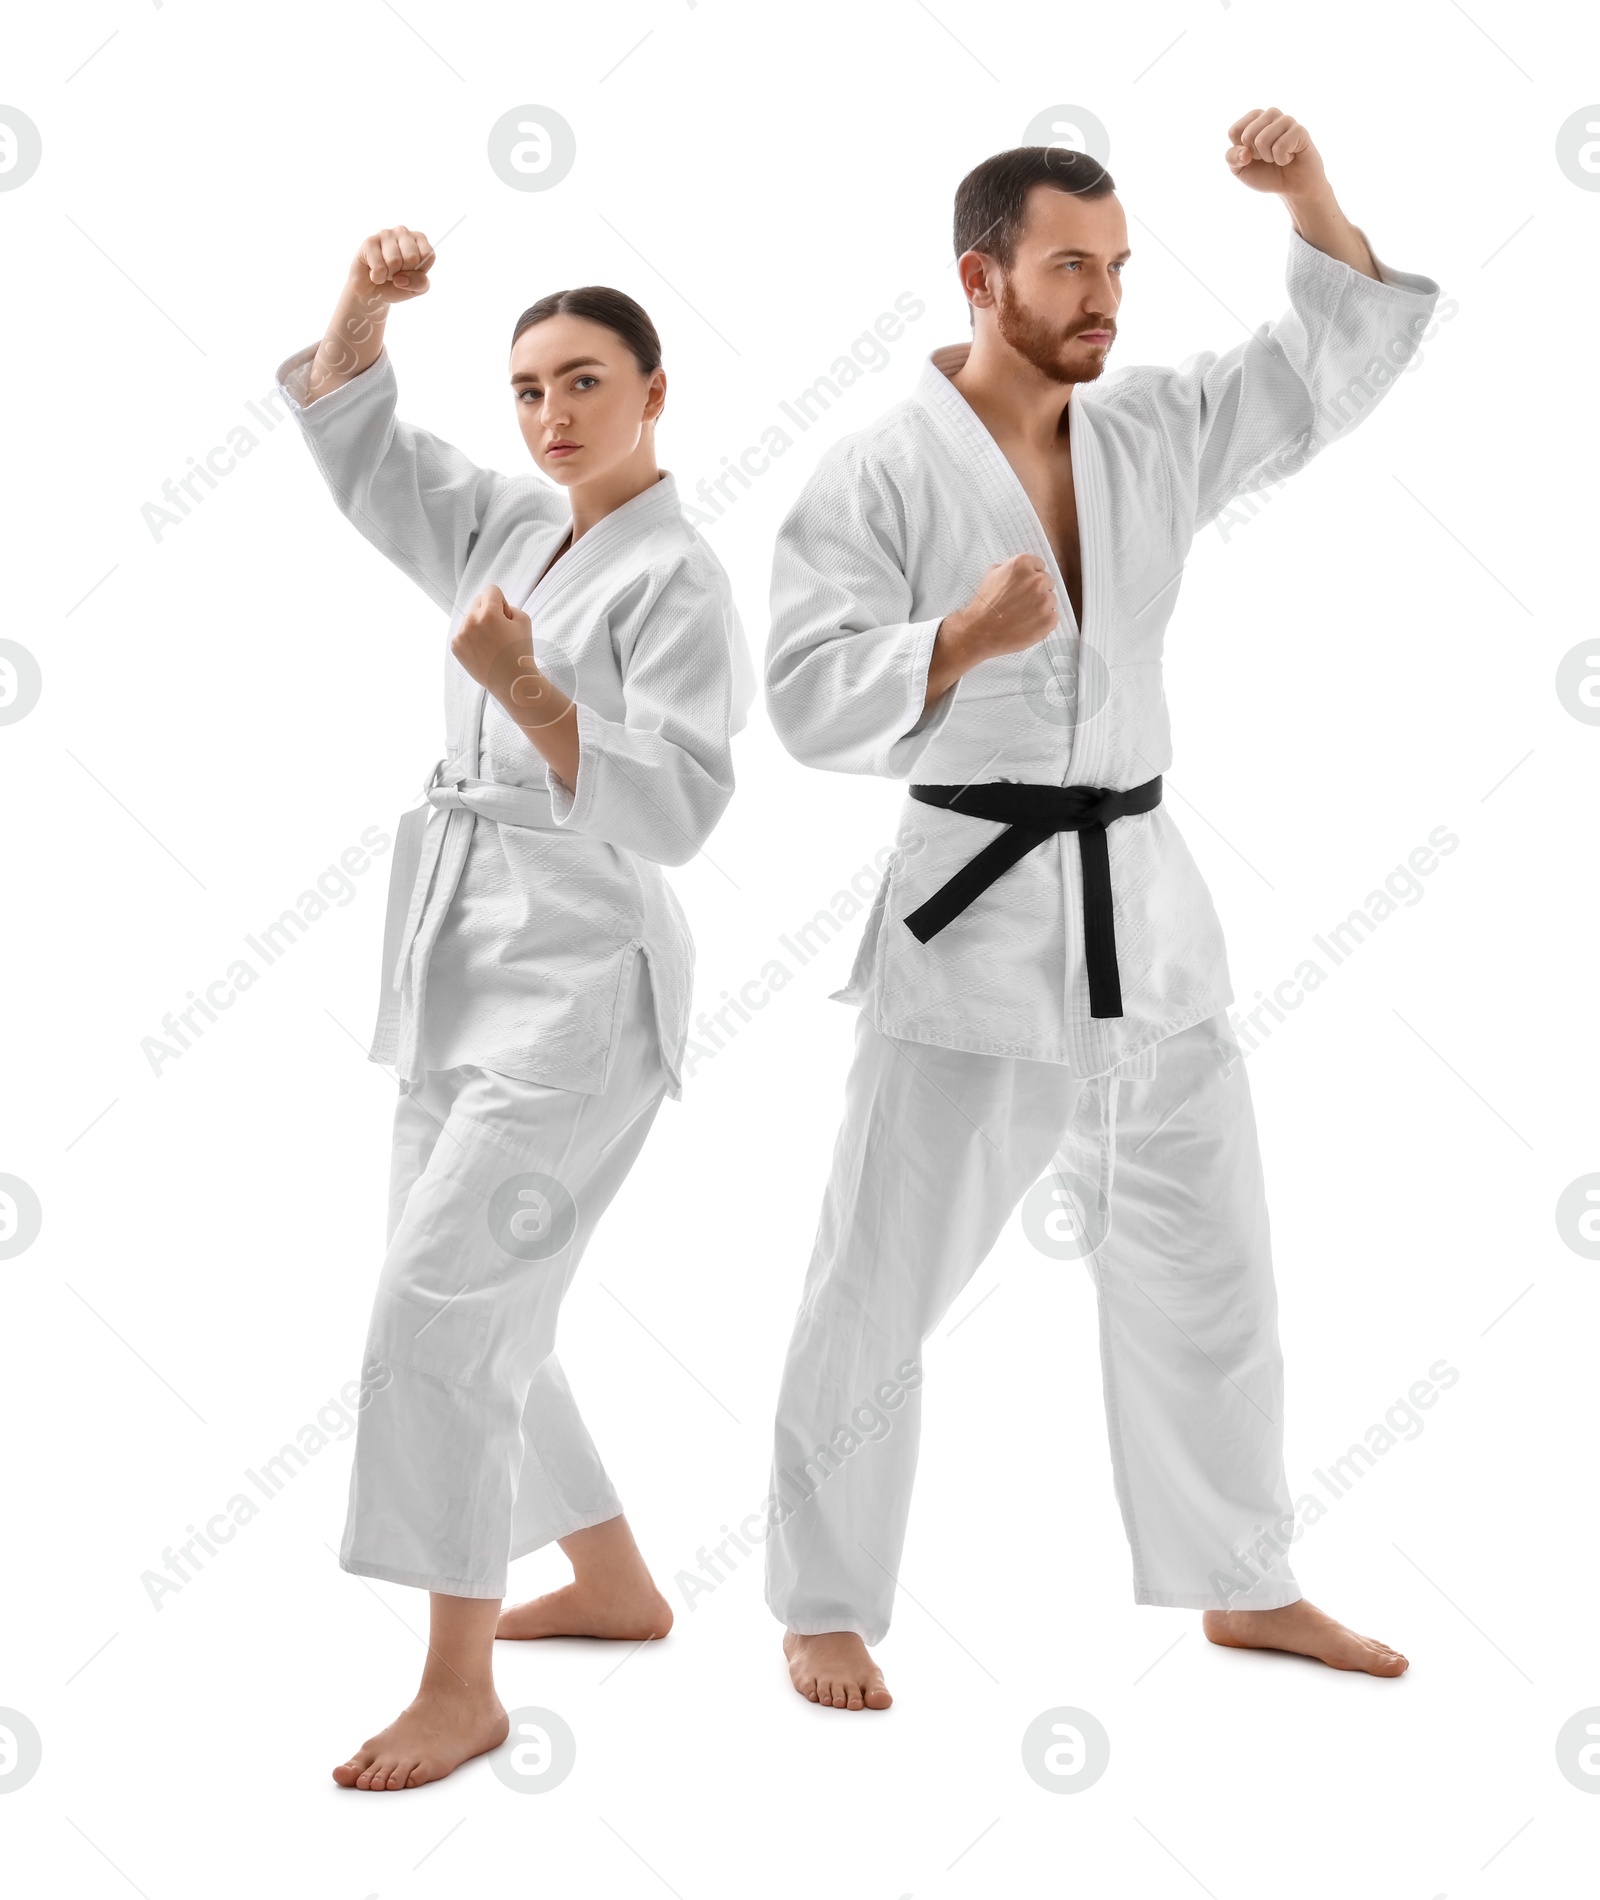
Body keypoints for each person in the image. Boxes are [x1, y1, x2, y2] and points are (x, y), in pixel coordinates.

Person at [762, 111, 1437, 1711]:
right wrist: (950, 646)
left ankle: (1242, 1581)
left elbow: (1316, 372)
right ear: (981, 276)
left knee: (1213, 1263)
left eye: (1120, 268)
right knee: (879, 1275)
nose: (1106, 298)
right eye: (1073, 267)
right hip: (973, 927)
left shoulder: (1147, 431)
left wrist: (1307, 196)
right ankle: (824, 1600)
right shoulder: (875, 472)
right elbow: (795, 692)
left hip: (1144, 903)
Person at [276, 226, 753, 1786]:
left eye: (585, 384)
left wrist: (538, 695)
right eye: (530, 389)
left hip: (577, 992)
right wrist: (362, 310)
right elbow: (362, 452)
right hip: (456, 963)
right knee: (475, 1294)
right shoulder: (504, 528)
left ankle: (458, 1683)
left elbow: (680, 810)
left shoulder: (680, 577)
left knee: (435, 1308)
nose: (552, 416)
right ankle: (611, 1580)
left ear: (655, 394)